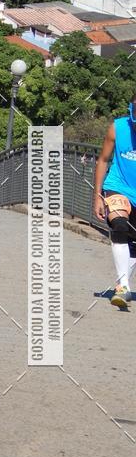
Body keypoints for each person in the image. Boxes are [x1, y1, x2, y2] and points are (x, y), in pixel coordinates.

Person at [94, 97, 136, 309]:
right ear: (131, 108)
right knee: (119, 226)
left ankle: (122, 284)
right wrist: (97, 196)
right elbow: (102, 160)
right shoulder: (117, 128)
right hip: (118, 185)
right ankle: (123, 287)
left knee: (134, 241)